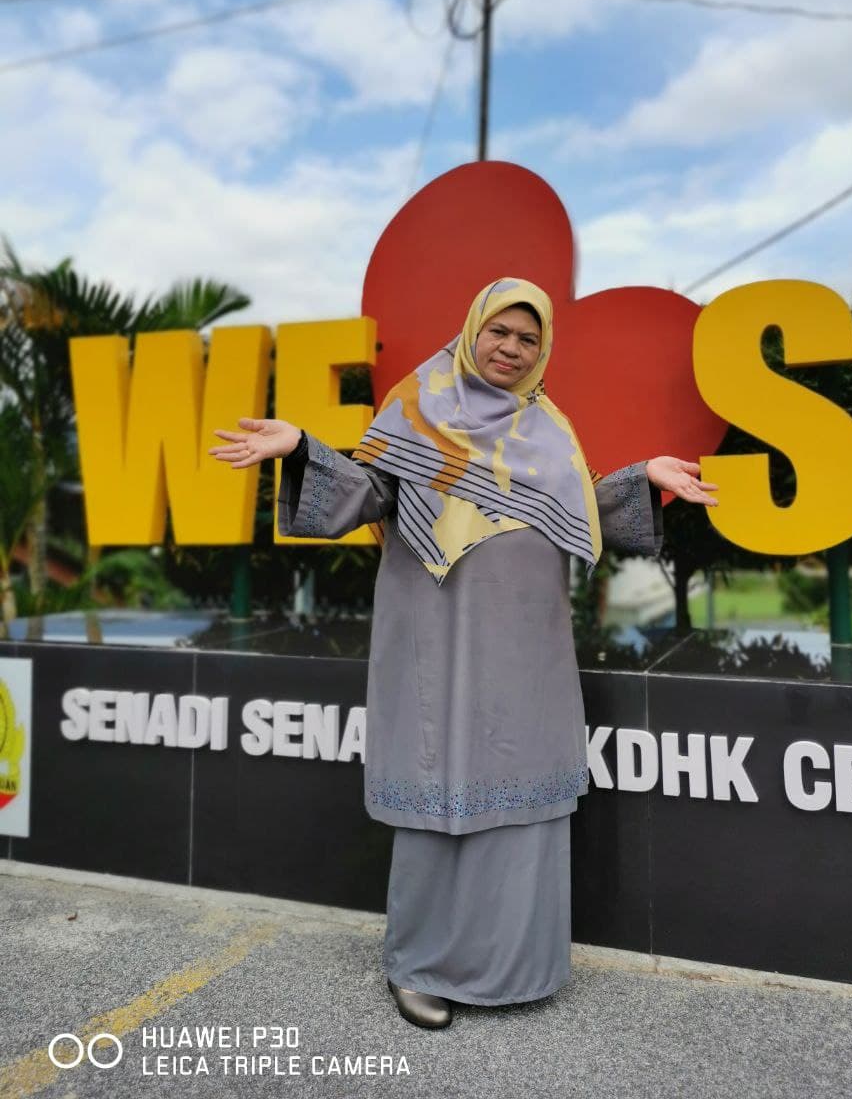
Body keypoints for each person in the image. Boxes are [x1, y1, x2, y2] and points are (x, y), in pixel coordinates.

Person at [210, 276, 719, 1031]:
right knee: (439, 775)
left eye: (528, 338)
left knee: (521, 781)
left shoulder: (548, 428)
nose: (512, 348)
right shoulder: (417, 410)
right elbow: (369, 491)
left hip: (528, 644)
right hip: (437, 636)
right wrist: (305, 449)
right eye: (499, 332)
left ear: (543, 349)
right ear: (472, 330)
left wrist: (640, 477)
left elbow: (575, 509)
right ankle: (421, 966)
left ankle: (519, 967)